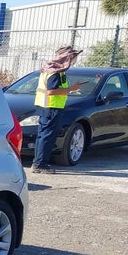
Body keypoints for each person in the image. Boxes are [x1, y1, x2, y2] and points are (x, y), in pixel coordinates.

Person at [31, 45, 83, 173]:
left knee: (43, 135)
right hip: (51, 107)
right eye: (73, 58)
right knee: (47, 136)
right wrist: (72, 89)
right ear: (67, 59)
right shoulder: (55, 72)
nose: (74, 61)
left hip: (46, 106)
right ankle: (40, 164)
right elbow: (52, 91)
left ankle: (38, 162)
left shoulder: (50, 69)